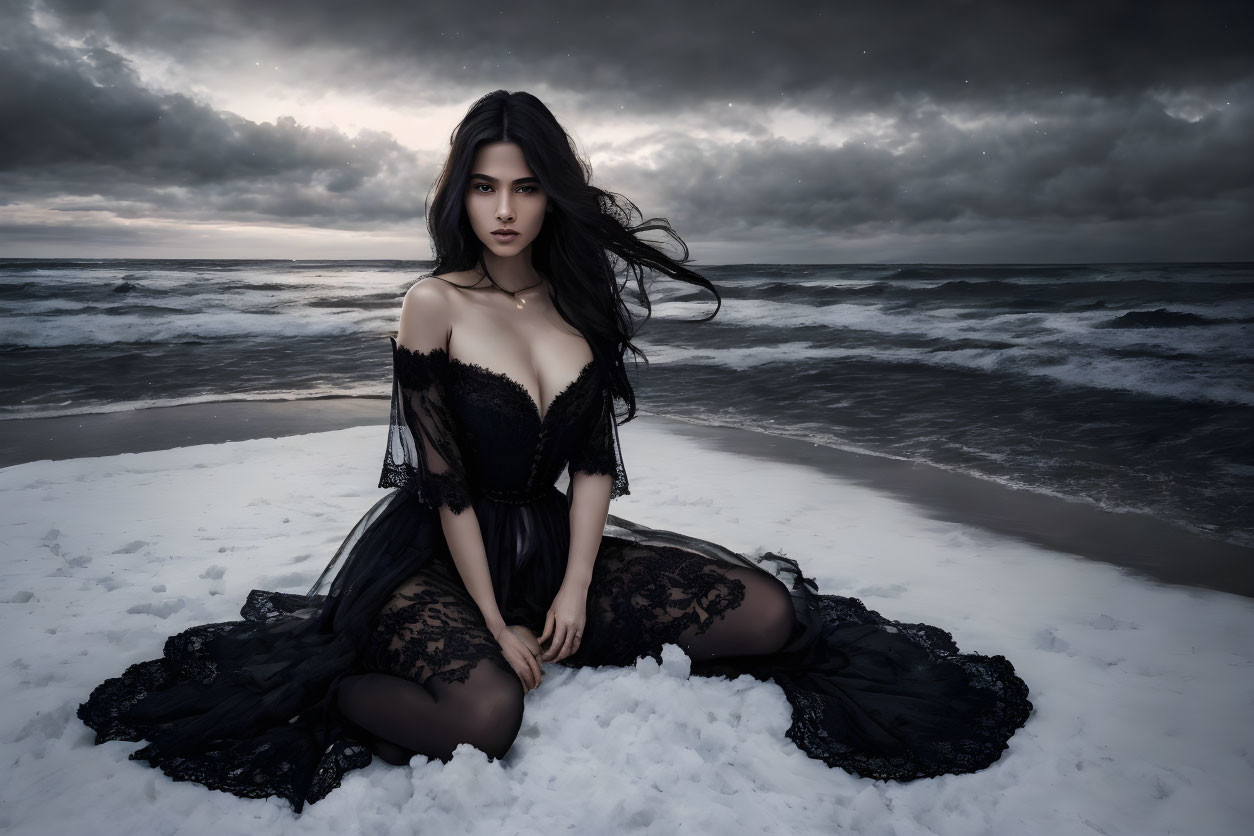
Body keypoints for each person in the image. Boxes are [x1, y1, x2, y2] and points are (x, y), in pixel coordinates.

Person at [78, 90, 1033, 814]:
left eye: (526, 186)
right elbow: (443, 484)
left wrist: (574, 590)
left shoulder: (580, 306)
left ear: (550, 196)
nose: (504, 209)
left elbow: (593, 469)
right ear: (462, 193)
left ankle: (548, 619)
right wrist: (499, 625)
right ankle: (344, 676)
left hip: (552, 546)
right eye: (486, 186)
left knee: (771, 615)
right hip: (438, 558)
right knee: (483, 721)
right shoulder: (434, 304)